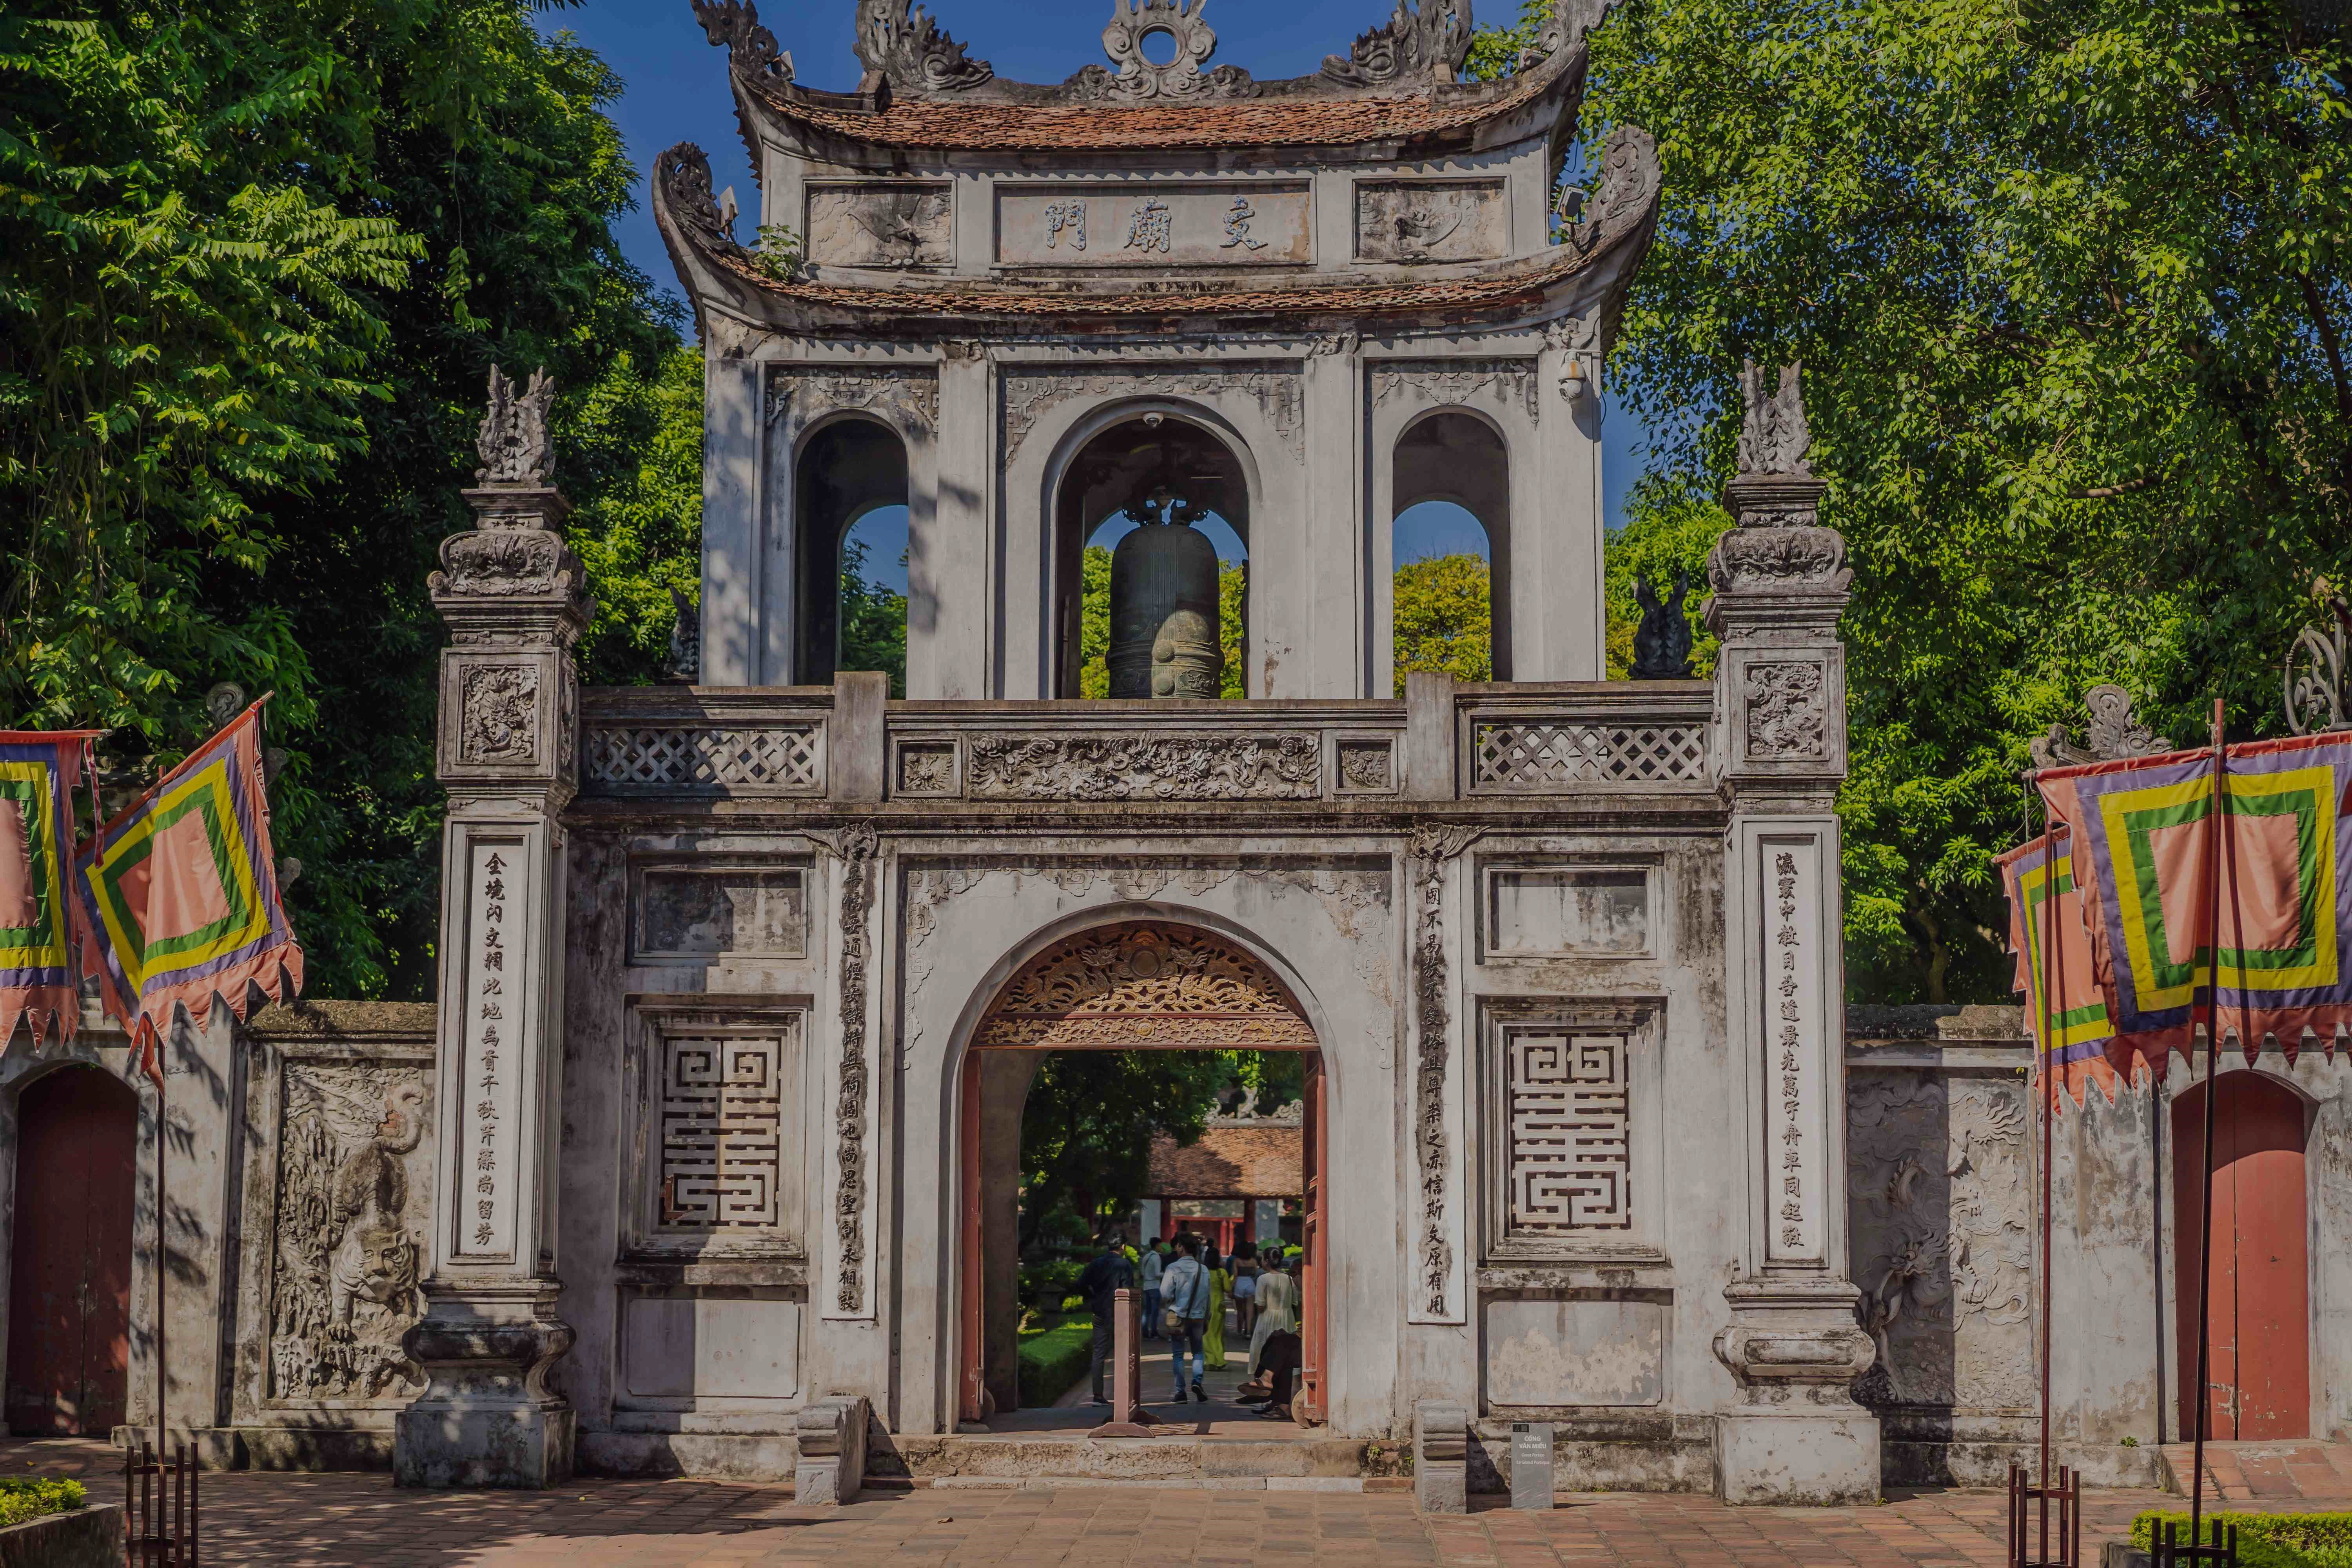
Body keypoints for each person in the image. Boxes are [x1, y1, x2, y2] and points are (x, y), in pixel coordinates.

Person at [1076, 1231, 1134, 1406]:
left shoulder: (1096, 1263)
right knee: (1125, 1353)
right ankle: (1124, 1396)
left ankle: (1098, 1396)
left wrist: (1093, 1298)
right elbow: (1127, 1290)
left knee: (1099, 1354)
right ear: (1123, 1246)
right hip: (1120, 1313)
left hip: (1100, 1311)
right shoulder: (1124, 1264)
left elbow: (1080, 1285)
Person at [1158, 1234, 1209, 1403]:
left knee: (1178, 1355)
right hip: (1198, 1317)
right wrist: (1207, 1315)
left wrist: (1171, 1303)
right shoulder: (1204, 1269)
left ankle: (1181, 1392)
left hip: (1178, 1316)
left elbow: (1165, 1294)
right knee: (1199, 1352)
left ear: (1181, 1247)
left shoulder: (1173, 1268)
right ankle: (1197, 1381)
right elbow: (1208, 1296)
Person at [1245, 1244, 1298, 1379]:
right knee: (1285, 1356)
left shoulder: (1263, 1279)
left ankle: (1265, 1386)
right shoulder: (1288, 1278)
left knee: (1265, 1353)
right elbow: (1295, 1302)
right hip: (1287, 1319)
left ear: (1267, 1261)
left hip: (1268, 1318)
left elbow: (1261, 1306)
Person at [1202, 1242, 1231, 1378]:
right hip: (1220, 1305)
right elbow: (1228, 1289)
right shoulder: (1222, 1272)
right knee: (1218, 1333)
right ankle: (1220, 1359)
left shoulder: (1202, 1271)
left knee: (1206, 1333)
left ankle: (1210, 1360)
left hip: (1205, 1304)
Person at [1138, 1236, 1165, 1342]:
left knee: (1146, 1311)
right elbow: (1157, 1274)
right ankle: (1154, 1332)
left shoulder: (1146, 1256)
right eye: (1161, 1245)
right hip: (1154, 1287)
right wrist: (1166, 1273)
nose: (1162, 1247)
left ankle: (1145, 1332)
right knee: (1155, 1312)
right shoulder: (1156, 1257)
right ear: (1157, 1245)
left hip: (1146, 1286)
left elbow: (1142, 1273)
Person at [1231, 1243, 1259, 1338]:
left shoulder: (1237, 1261)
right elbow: (1255, 1273)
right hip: (1250, 1284)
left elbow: (1235, 1275)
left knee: (1240, 1310)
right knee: (1250, 1310)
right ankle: (1248, 1332)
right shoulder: (1254, 1261)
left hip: (1239, 1284)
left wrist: (1232, 1288)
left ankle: (1239, 1330)